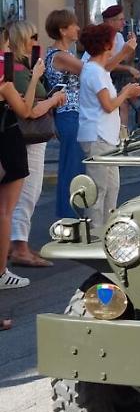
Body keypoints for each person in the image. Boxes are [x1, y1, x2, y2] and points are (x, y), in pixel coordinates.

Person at [77, 24, 140, 238]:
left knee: (111, 187)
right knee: (99, 190)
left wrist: (125, 52)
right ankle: (96, 234)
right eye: (113, 39)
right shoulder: (94, 72)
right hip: (98, 135)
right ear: (106, 44)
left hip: (105, 135)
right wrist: (126, 92)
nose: (115, 41)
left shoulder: (95, 68)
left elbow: (106, 67)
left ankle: (106, 231)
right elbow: (108, 105)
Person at [7, 21, 67, 268]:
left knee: (25, 193)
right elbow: (29, 110)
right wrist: (53, 99)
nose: (36, 41)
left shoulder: (24, 68)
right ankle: (19, 245)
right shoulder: (20, 71)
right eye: (32, 37)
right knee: (28, 193)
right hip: (28, 138)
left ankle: (17, 243)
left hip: (29, 138)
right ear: (22, 40)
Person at [0, 54, 49, 296]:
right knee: (5, 212)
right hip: (7, 145)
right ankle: (1, 273)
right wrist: (35, 79)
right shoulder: (5, 83)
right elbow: (27, 111)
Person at [45, 9, 84, 219]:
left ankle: (71, 215)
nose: (77, 28)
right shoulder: (61, 56)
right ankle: (70, 217)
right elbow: (92, 72)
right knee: (72, 167)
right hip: (69, 114)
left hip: (70, 114)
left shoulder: (60, 54)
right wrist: (122, 54)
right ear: (63, 30)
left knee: (74, 166)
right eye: (73, 25)